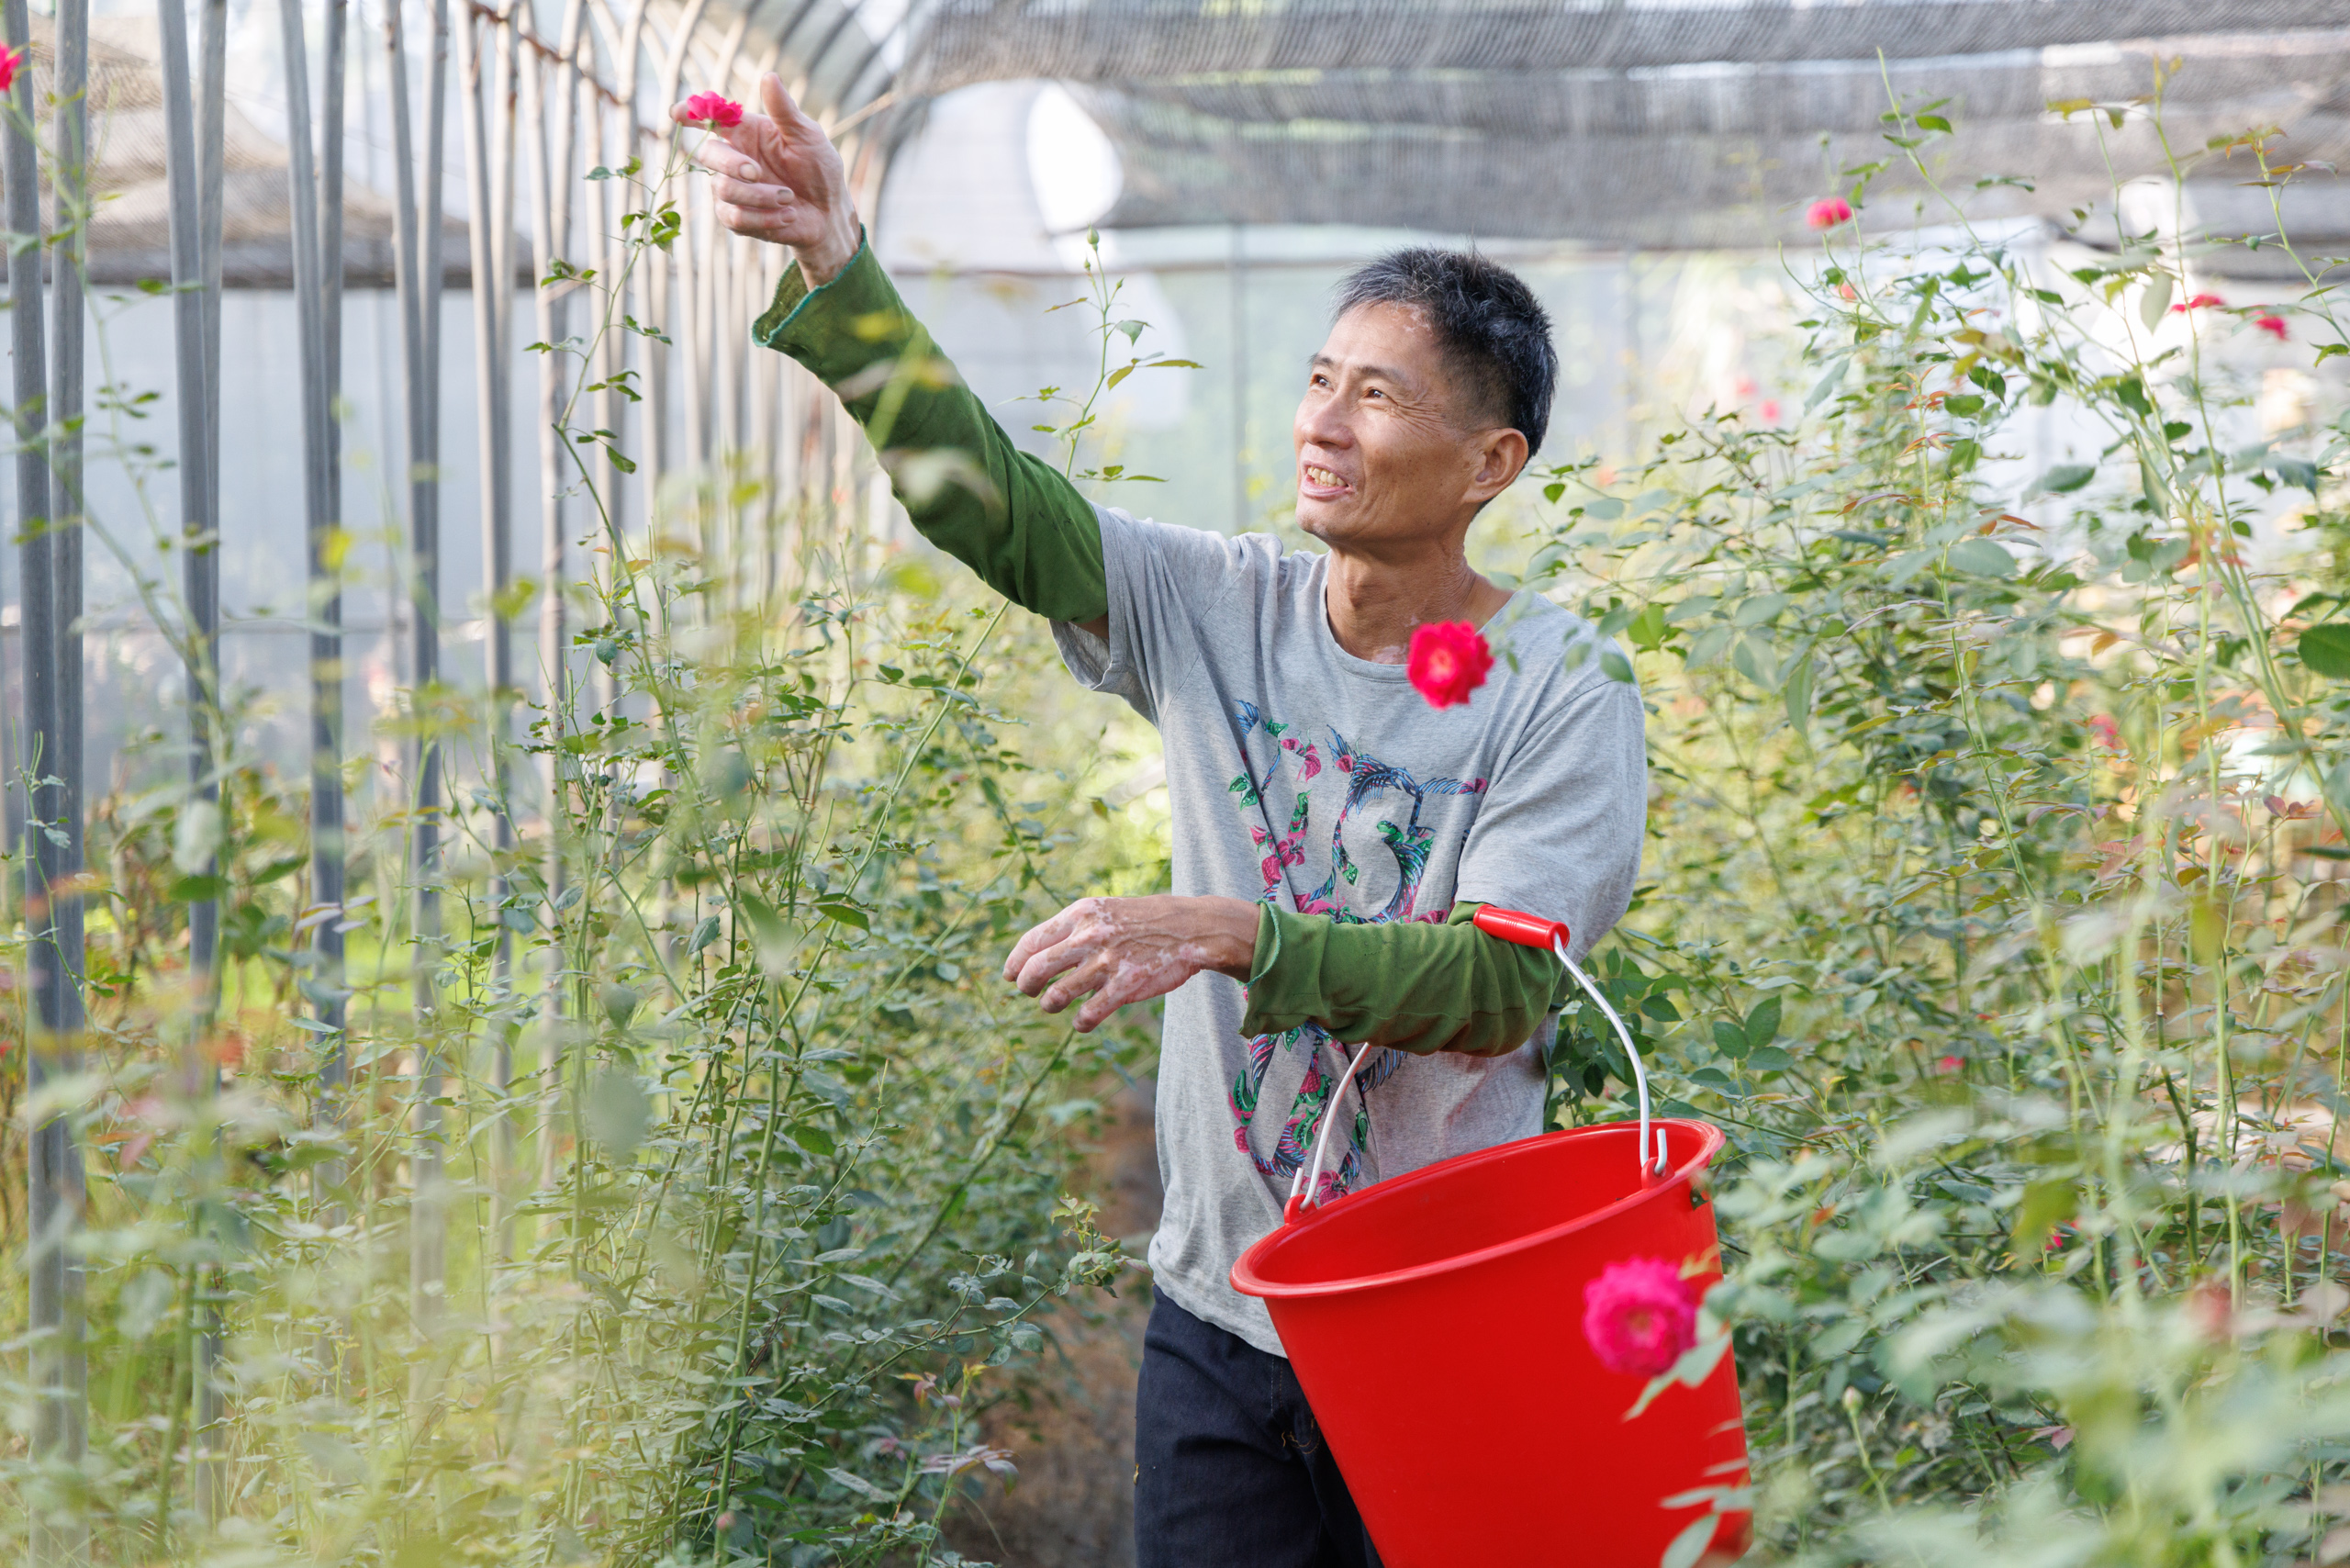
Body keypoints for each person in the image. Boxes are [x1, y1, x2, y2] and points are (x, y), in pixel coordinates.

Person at [677, 75, 1647, 1568]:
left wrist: (1229, 932)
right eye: (1322, 378)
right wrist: (839, 276)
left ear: (1489, 465)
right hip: (1221, 1322)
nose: (1324, 423)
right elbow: (991, 503)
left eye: (1378, 397)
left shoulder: (1559, 686)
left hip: (1440, 1316)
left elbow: (1502, 982)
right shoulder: (1220, 605)